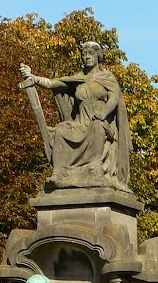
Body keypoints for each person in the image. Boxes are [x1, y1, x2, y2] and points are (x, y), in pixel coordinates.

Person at [19, 41, 133, 191]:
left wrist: (104, 112)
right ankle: (59, 173)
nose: (87, 57)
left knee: (97, 128)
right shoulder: (78, 79)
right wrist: (32, 76)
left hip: (100, 120)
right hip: (81, 122)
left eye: (90, 54)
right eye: (84, 54)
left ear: (97, 56)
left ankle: (94, 167)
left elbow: (114, 98)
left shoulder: (107, 77)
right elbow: (52, 83)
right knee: (61, 130)